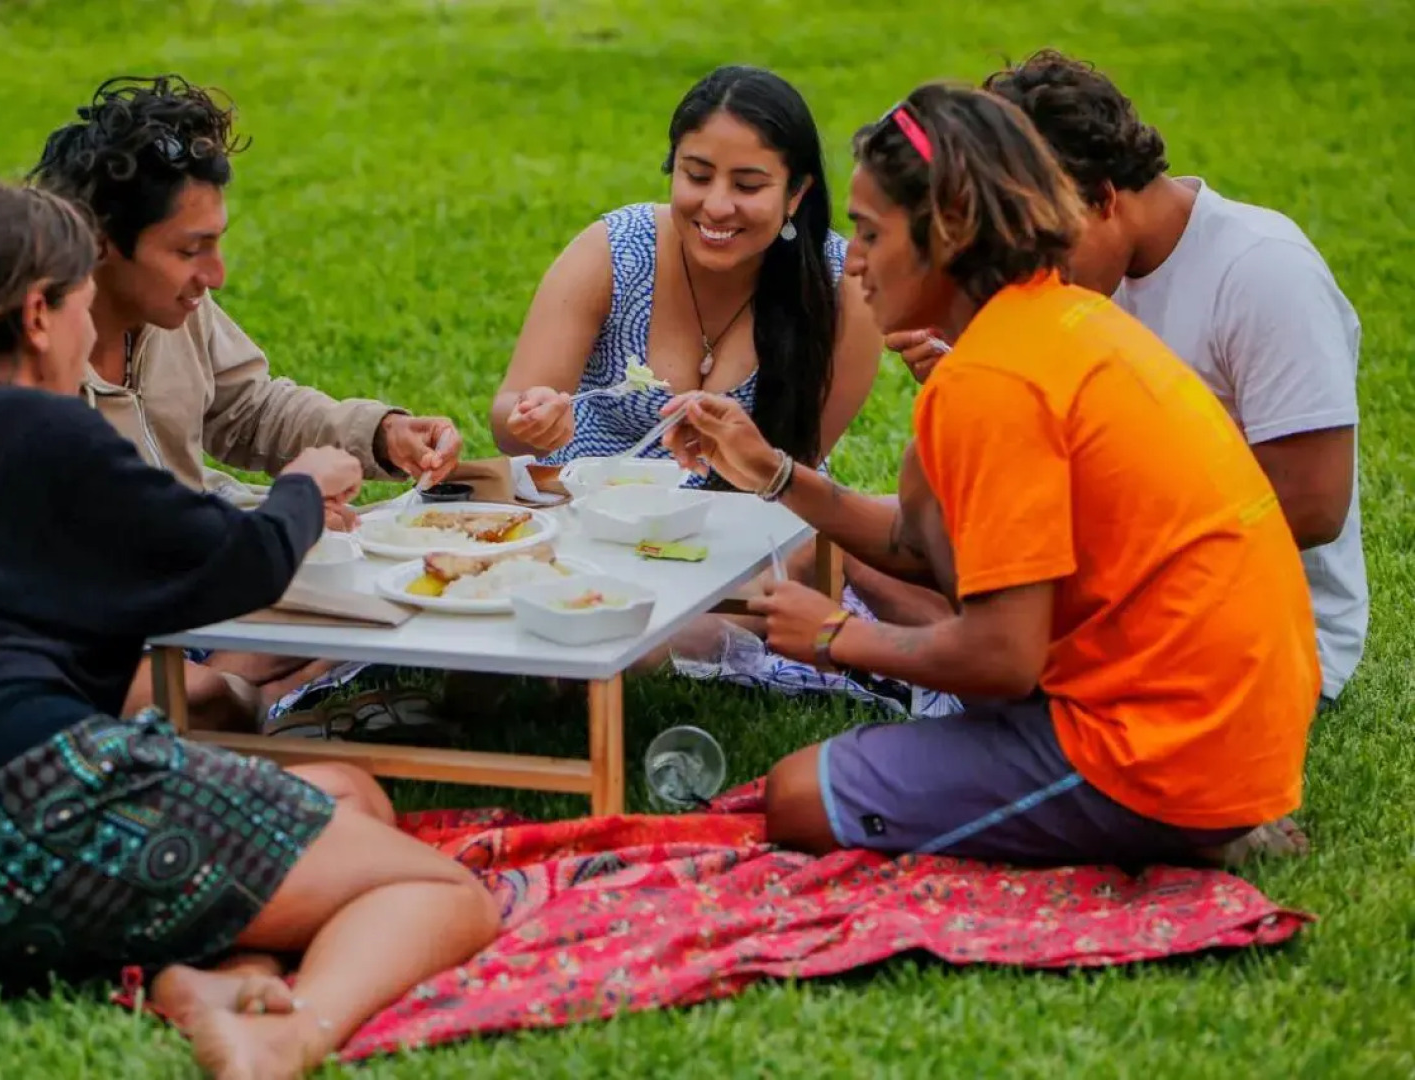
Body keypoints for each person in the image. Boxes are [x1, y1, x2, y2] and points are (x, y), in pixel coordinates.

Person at [0, 181, 499, 1079]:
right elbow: (227, 560)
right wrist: (305, 487)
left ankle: (212, 984)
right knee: (439, 892)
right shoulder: (36, 428)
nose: (94, 337)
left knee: (349, 793)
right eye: (85, 310)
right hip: (22, 823)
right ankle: (288, 1036)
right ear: (38, 315)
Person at [660, 84, 1320, 868]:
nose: (856, 262)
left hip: (1159, 752)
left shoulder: (993, 380)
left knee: (797, 798)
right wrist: (772, 472)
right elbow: (916, 543)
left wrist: (838, 636)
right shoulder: (1058, 317)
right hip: (1216, 724)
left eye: (870, 233)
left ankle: (1185, 828)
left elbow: (1003, 659)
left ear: (949, 234)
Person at [887, 49, 1366, 704]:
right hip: (1117, 587)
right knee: (873, 543)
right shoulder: (1086, 273)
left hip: (1255, 626)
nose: (1028, 266)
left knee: (945, 560)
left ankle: (981, 655)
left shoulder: (1263, 271)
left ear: (1104, 198)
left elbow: (1314, 504)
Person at [29, 74, 466, 729]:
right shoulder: (23, 365)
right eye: (189, 250)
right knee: (188, 691)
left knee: (400, 595)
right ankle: (251, 699)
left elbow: (249, 409)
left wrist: (381, 434)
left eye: (215, 241)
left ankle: (248, 687)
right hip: (103, 625)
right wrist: (280, 520)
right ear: (98, 245)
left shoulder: (176, 309)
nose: (215, 275)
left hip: (206, 581)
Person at [490, 64, 880, 479]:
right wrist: (530, 417)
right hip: (586, 521)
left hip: (758, 527)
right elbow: (507, 420)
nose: (716, 205)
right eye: (697, 175)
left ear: (796, 194)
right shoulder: (616, 250)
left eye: (747, 186)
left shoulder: (840, 284)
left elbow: (801, 472)